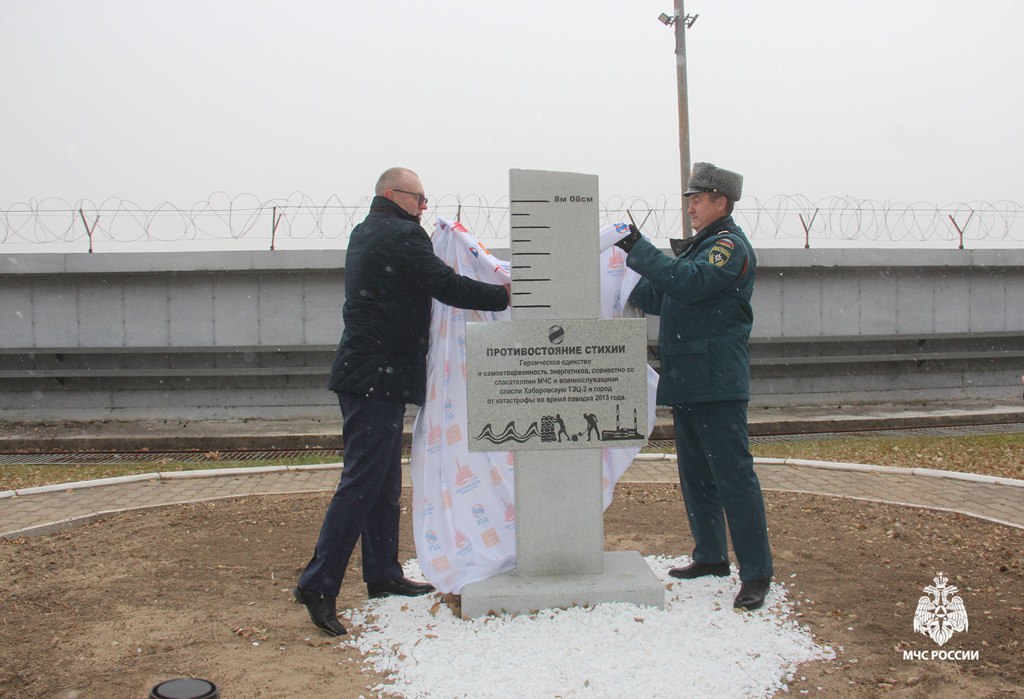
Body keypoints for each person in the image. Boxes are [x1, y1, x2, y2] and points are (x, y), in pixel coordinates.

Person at [294, 167, 511, 635]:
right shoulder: (401, 236)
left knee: (383, 481)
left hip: (371, 374)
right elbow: (447, 285)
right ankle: (318, 582)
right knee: (362, 481)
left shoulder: (368, 230)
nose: (424, 207)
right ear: (394, 195)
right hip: (376, 374)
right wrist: (506, 295)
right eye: (419, 198)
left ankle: (384, 575)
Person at [614, 162, 773, 611]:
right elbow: (661, 295)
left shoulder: (726, 247)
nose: (690, 207)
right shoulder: (695, 249)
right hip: (688, 380)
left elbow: (692, 282)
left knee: (734, 480)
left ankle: (756, 573)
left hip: (717, 382)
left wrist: (640, 248)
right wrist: (621, 269)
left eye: (697, 199)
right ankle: (710, 556)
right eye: (688, 199)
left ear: (721, 201)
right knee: (697, 477)